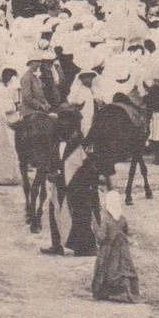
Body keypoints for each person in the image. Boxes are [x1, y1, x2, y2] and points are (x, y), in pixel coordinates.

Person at [42, 106, 100, 258]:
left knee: (79, 215)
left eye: (65, 122)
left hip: (77, 188)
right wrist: (51, 173)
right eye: (61, 122)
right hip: (62, 184)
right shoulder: (59, 143)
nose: (62, 125)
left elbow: (84, 169)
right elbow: (54, 162)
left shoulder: (79, 146)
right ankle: (57, 245)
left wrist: (59, 176)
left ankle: (85, 247)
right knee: (55, 211)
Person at [91, 190, 139, 302]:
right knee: (124, 270)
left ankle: (105, 292)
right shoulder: (122, 219)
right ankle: (128, 292)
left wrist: (95, 229)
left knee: (106, 271)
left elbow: (101, 238)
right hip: (122, 250)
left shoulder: (106, 221)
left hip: (108, 251)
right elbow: (126, 232)